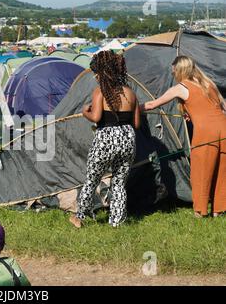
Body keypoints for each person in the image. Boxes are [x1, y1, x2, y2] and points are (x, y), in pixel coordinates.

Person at [142, 56, 226, 218]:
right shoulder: (208, 83)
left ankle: (200, 211)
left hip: (206, 132)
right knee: (222, 170)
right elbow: (222, 108)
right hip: (223, 127)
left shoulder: (181, 87)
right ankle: (219, 209)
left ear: (179, 70)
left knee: (201, 171)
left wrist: (132, 110)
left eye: (173, 71)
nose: (173, 74)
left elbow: (152, 104)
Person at [69, 50, 141, 229]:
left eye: (96, 73)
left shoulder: (100, 91)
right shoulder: (131, 93)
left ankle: (79, 217)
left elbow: (95, 117)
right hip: (127, 139)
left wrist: (85, 111)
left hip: (106, 139)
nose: (95, 77)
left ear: (103, 72)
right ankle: (116, 222)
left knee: (92, 178)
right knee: (119, 182)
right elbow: (137, 124)